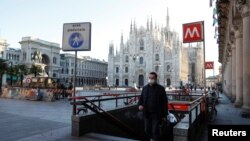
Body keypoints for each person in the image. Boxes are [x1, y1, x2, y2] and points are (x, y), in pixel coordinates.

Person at [138, 72, 168, 141]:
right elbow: (141, 99)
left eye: (152, 78)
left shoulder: (161, 89)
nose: (150, 79)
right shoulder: (145, 88)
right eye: (149, 78)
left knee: (155, 131)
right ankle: (152, 139)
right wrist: (140, 105)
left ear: (156, 79)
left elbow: (165, 103)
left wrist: (164, 115)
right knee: (146, 130)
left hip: (156, 114)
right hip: (146, 113)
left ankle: (154, 139)